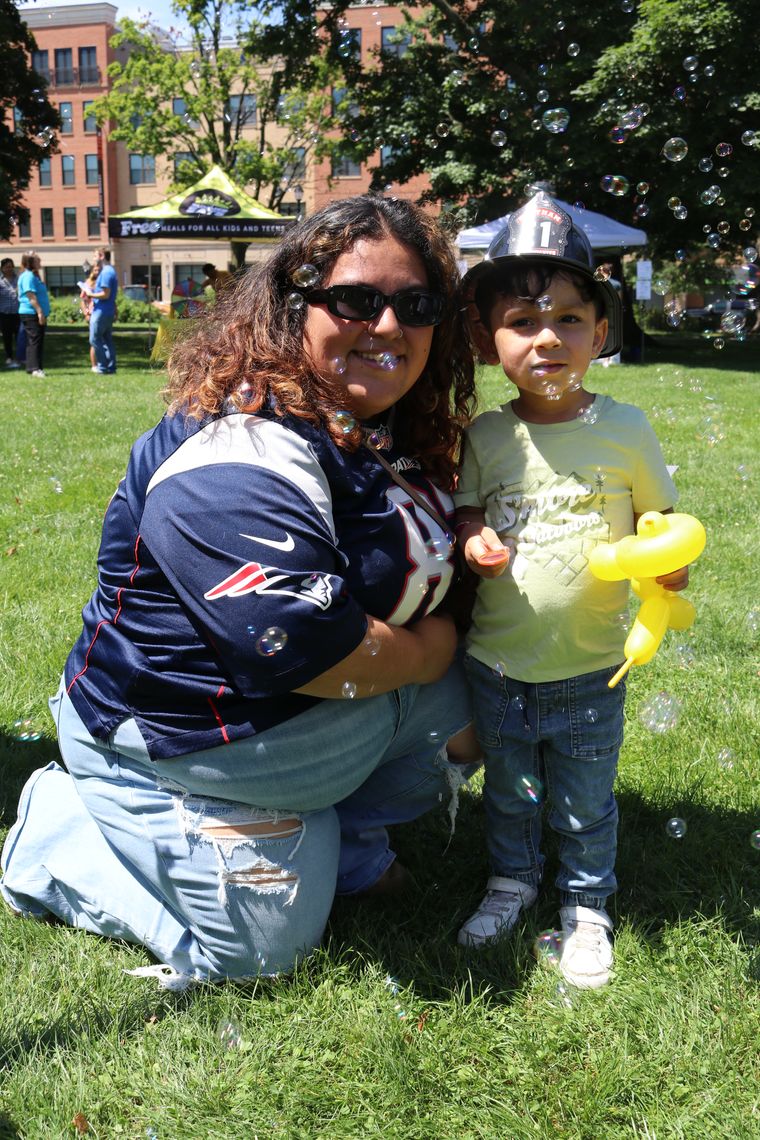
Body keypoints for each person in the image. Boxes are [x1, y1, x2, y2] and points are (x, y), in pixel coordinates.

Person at [1, 195, 481, 990]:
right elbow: (303, 646)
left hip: (311, 728)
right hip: (175, 749)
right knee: (263, 957)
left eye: (417, 304)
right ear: (293, 307)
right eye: (357, 301)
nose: (390, 326)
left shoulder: (374, 422)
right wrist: (434, 652)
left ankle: (343, 842)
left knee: (501, 692)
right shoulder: (237, 450)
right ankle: (58, 838)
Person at [454, 193, 691, 989]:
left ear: (600, 331)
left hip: (592, 669)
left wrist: (668, 564)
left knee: (585, 804)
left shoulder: (626, 429)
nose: (547, 337)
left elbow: (662, 520)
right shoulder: (487, 436)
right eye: (522, 321)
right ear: (492, 340)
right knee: (513, 795)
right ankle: (512, 881)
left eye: (568, 319)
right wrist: (470, 537)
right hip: (498, 663)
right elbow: (467, 510)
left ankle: (587, 907)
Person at [17, 251, 50, 378]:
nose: (40, 261)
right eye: (37, 260)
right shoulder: (28, 276)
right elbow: (30, 295)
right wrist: (40, 312)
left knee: (36, 340)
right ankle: (35, 369)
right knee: (35, 340)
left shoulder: (33, 275)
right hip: (31, 313)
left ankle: (34, 367)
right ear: (31, 262)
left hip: (34, 312)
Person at [89, 246, 118, 374]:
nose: (93, 258)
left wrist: (90, 294)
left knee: (94, 339)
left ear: (101, 256)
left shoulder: (106, 272)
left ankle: (102, 366)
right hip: (107, 310)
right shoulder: (109, 270)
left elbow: (105, 294)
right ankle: (111, 367)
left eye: (95, 255)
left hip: (101, 311)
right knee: (107, 339)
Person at [0, 257, 21, 369]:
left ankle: (19, 357)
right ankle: (9, 357)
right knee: (7, 337)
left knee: (19, 336)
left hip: (18, 314)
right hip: (4, 314)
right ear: (2, 268)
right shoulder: (0, 282)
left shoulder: (19, 280)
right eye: (6, 267)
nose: (9, 269)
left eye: (11, 266)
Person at [80, 267, 99, 370]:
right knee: (95, 339)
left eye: (98, 270)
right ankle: (94, 365)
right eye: (95, 270)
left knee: (102, 339)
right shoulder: (87, 283)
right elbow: (83, 301)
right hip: (92, 314)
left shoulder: (102, 281)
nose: (97, 272)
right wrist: (86, 314)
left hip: (102, 313)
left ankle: (102, 363)